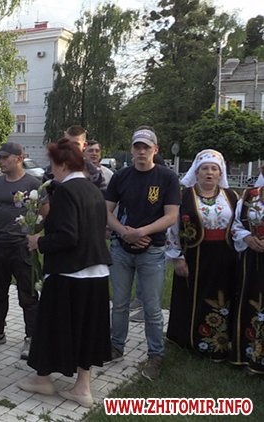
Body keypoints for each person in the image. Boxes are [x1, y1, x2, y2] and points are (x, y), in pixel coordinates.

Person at [18, 139, 112, 408]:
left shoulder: (65, 192)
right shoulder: (94, 190)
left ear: (62, 165)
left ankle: (43, 379)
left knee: (52, 326)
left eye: (52, 164)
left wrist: (39, 242)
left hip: (69, 273)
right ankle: (82, 386)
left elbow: (68, 236)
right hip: (96, 272)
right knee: (87, 330)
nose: (51, 170)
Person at [105, 127, 180, 381]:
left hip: (153, 250)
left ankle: (155, 355)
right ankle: (116, 346)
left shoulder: (167, 178)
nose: (141, 151)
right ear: (131, 149)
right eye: (137, 146)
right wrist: (124, 231)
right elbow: (106, 211)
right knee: (120, 303)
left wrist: (141, 232)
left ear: (155, 150)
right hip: (121, 249)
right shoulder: (121, 176)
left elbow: (171, 216)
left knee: (152, 307)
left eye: (146, 147)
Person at [165, 149, 237, 361]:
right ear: (196, 172)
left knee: (222, 296)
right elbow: (172, 228)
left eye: (214, 169)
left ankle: (218, 343)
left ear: (220, 173)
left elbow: (239, 224)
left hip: (226, 257)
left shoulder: (231, 196)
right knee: (192, 296)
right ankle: (189, 340)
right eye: (204, 168)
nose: (209, 173)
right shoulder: (184, 196)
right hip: (194, 257)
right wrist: (177, 257)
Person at [0, 142, 41, 360]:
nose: (0, 161)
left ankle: (31, 337)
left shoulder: (33, 184)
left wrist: (32, 234)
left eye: (5, 157)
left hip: (22, 247)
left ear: (19, 158)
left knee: (28, 293)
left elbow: (45, 213)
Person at [231, 164, 264, 373]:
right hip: (252, 259)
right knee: (251, 301)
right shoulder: (250, 196)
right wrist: (247, 237)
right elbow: (235, 225)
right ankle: (248, 354)